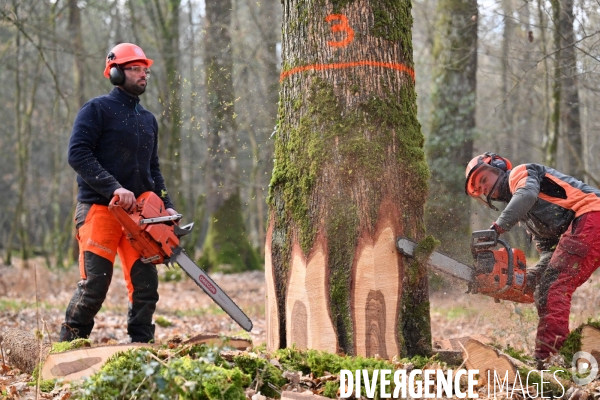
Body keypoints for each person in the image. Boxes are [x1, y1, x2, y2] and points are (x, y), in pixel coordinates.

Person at [60, 43, 177, 343]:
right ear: (114, 72)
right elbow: (78, 154)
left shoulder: (148, 119)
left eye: (145, 69)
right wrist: (114, 187)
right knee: (94, 285)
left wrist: (166, 205)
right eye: (135, 68)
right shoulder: (97, 109)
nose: (143, 75)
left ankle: (141, 345)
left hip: (139, 218)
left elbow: (153, 169)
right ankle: (69, 344)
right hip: (100, 208)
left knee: (145, 287)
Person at [464, 152, 600, 362]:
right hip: (585, 224)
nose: (485, 189)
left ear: (498, 166)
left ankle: (548, 359)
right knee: (544, 287)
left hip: (591, 214)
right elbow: (550, 250)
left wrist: (497, 228)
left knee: (554, 289)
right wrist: (529, 280)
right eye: (480, 189)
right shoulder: (527, 218)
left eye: (484, 180)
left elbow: (525, 195)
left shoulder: (520, 173)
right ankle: (552, 354)